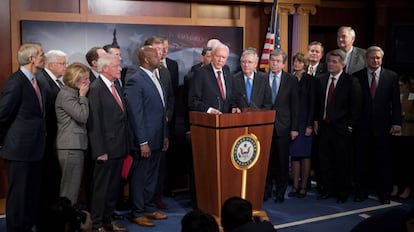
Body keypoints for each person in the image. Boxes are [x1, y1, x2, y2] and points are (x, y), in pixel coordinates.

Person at [0, 42, 46, 231]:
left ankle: (26, 226)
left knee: (31, 193)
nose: (44, 57)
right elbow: (2, 114)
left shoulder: (37, 81)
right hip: (19, 149)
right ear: (31, 59)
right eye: (41, 54)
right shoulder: (16, 81)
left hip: (35, 149)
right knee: (18, 195)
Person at [124, 45, 169, 227]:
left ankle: (149, 208)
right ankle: (138, 211)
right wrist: (143, 141)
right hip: (144, 141)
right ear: (146, 60)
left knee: (152, 177)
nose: (160, 57)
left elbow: (161, 111)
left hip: (158, 138)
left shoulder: (156, 77)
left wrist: (165, 135)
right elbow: (136, 114)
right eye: (156, 55)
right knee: (140, 177)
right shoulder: (136, 80)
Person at [353, 46, 401, 204]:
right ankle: (361, 191)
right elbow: (353, 103)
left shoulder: (391, 76)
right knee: (361, 161)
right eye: (372, 57)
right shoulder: (356, 76)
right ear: (366, 59)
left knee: (383, 162)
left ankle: (384, 193)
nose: (375, 60)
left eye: (378, 58)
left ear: (382, 59)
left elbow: (395, 102)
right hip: (362, 127)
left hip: (383, 127)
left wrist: (396, 122)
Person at [87, 53, 129, 232]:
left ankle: (107, 220)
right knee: (101, 189)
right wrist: (99, 150)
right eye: (116, 66)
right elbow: (94, 122)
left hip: (119, 147)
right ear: (105, 68)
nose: (120, 68)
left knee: (113, 188)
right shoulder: (96, 88)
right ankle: (96, 224)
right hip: (105, 149)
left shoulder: (116, 86)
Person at [314, 49, 361, 204]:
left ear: (343, 64)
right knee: (325, 161)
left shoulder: (351, 81)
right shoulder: (321, 79)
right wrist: (315, 121)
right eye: (329, 61)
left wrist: (350, 127)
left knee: (342, 162)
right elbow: (317, 105)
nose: (331, 64)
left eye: (335, 62)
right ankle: (328, 190)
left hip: (341, 129)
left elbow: (356, 107)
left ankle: (343, 192)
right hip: (324, 128)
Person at [36, 49, 67, 230]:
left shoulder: (55, 82)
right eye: (62, 63)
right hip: (48, 143)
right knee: (48, 185)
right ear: (51, 64)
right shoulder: (43, 81)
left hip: (56, 141)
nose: (65, 66)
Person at [143, 36, 175, 210]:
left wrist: (167, 115)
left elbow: (170, 97)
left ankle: (156, 198)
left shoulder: (165, 72)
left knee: (159, 168)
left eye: (162, 49)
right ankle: (142, 205)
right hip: (147, 132)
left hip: (163, 128)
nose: (161, 52)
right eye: (157, 50)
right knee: (145, 171)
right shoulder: (136, 73)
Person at [265, 48, 299, 203]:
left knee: (282, 162)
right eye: (272, 60)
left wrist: (294, 128)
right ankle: (266, 190)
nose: (274, 64)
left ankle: (280, 192)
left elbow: (295, 106)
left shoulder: (291, 80)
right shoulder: (262, 78)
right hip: (265, 127)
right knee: (267, 162)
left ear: (284, 64)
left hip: (283, 127)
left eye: (278, 61)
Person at [55, 62, 90, 205]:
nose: (88, 82)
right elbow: (82, 116)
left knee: (73, 188)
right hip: (70, 147)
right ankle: (66, 223)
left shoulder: (71, 93)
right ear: (75, 80)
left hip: (75, 147)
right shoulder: (66, 95)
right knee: (69, 189)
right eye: (85, 80)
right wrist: (83, 96)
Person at [288, 52, 315, 199]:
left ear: (304, 64)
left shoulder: (310, 80)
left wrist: (310, 124)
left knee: (305, 155)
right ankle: (294, 186)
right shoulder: (290, 78)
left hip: (305, 122)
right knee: (294, 156)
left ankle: (303, 186)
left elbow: (312, 104)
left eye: (299, 62)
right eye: (295, 62)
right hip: (292, 122)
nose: (297, 64)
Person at [188, 43, 239, 114]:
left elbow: (231, 99)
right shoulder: (201, 73)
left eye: (223, 57)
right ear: (212, 56)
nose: (220, 60)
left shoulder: (228, 74)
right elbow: (193, 101)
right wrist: (209, 110)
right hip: (208, 119)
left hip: (226, 120)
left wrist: (234, 107)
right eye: (218, 56)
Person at [306, 41, 327, 195]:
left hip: (320, 118)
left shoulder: (326, 70)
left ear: (321, 55)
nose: (313, 54)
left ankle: (321, 182)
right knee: (306, 152)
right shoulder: (300, 69)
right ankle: (304, 181)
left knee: (320, 153)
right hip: (304, 117)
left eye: (316, 52)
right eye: (311, 51)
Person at [391, 75, 414, 199]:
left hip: (408, 134)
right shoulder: (395, 95)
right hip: (395, 133)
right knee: (395, 161)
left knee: (406, 163)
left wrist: (404, 114)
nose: (399, 87)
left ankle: (407, 188)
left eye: (401, 85)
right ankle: (395, 186)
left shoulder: (412, 96)